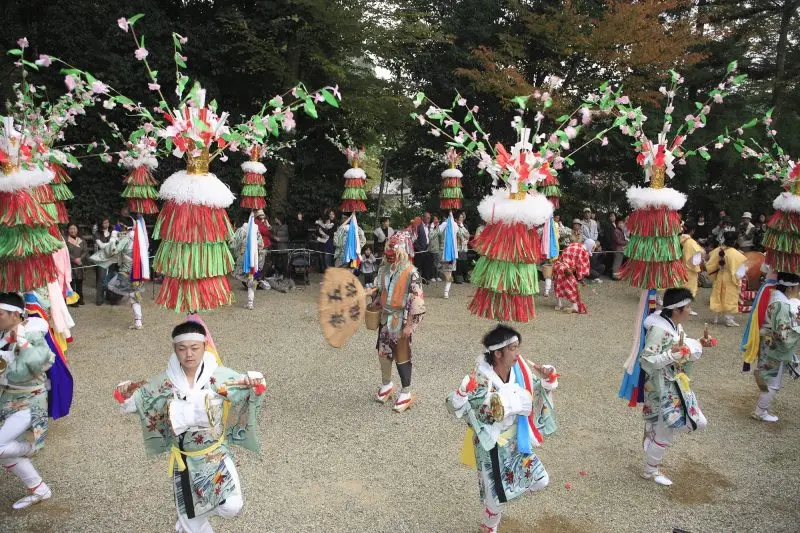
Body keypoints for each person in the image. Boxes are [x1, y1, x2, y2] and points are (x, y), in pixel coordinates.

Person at [115, 320, 266, 532]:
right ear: (174, 349)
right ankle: (189, 521)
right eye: (182, 348)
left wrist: (255, 379)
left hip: (215, 456)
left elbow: (251, 386)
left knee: (233, 505)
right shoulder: (165, 382)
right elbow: (137, 401)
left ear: (205, 346)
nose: (189, 354)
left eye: (195, 348)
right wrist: (126, 392)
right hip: (184, 461)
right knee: (192, 524)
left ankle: (194, 515)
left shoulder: (218, 377)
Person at [445, 324, 558, 533]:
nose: (518, 353)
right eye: (513, 348)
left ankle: (507, 494)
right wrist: (462, 393)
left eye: (518, 347)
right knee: (495, 499)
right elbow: (469, 411)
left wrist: (546, 380)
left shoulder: (520, 371)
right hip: (492, 446)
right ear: (498, 353)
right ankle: (489, 527)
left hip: (516, 441)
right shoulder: (481, 379)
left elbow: (534, 392)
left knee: (541, 479)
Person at [639, 288, 708, 486]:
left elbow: (678, 347)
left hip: (674, 385)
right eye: (688, 307)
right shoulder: (660, 329)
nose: (690, 310)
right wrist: (672, 356)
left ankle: (652, 436)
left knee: (696, 422)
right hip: (663, 388)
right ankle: (649, 471)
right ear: (676, 310)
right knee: (666, 432)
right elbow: (647, 360)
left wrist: (698, 344)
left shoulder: (671, 325)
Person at [0, 292, 56, 509]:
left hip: (29, 402)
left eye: (1, 314)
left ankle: (29, 448)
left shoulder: (33, 334)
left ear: (15, 315)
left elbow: (39, 361)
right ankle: (40, 489)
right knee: (4, 453)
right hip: (8, 399)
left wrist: (21, 341)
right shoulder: (4, 333)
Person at [366, 229, 425, 412]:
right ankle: (386, 384)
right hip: (385, 317)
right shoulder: (383, 269)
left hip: (401, 319)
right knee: (383, 352)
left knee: (402, 355)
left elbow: (417, 299)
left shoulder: (411, 272)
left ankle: (406, 391)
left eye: (394, 252)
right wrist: (375, 301)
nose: (390, 255)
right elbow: (381, 291)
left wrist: (410, 325)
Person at [752, 272, 800, 422]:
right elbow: (782, 333)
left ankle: (761, 406)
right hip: (775, 347)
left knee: (769, 376)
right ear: (791, 288)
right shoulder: (782, 305)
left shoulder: (773, 296)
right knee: (774, 382)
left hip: (767, 342)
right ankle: (760, 411)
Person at [89, 222, 146, 329]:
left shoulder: (126, 239)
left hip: (125, 272)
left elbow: (113, 250)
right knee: (134, 297)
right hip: (138, 273)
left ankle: (127, 294)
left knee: (109, 285)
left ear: (125, 229)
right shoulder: (140, 239)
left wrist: (113, 236)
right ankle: (138, 321)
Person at [706, 231, 748, 326]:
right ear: (735, 241)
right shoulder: (737, 255)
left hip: (720, 276)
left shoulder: (717, 250)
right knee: (730, 297)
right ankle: (729, 319)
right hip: (730, 278)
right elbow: (740, 273)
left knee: (717, 295)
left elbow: (710, 264)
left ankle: (715, 318)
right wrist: (744, 271)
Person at [229, 214, 269, 310]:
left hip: (243, 257)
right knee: (251, 276)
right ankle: (250, 303)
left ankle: (249, 281)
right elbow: (261, 245)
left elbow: (233, 245)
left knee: (234, 273)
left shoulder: (241, 230)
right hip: (255, 258)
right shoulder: (256, 230)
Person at [552, 234, 591, 313]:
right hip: (567, 270)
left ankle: (559, 304)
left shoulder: (571, 246)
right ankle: (574, 306)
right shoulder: (583, 251)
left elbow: (562, 257)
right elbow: (582, 265)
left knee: (558, 285)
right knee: (572, 286)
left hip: (559, 266)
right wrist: (581, 277)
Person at [680, 223, 704, 302]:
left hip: (681, 268)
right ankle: (686, 309)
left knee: (681, 289)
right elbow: (695, 261)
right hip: (690, 271)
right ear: (693, 231)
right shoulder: (692, 243)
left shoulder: (678, 239)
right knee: (689, 291)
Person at [65, 224, 88, 306]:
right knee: (71, 283)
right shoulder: (66, 240)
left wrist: (80, 259)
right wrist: (74, 259)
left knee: (79, 283)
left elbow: (85, 251)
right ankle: (72, 301)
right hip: (70, 264)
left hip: (80, 264)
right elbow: (65, 252)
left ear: (77, 230)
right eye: (71, 228)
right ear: (68, 230)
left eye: (74, 228)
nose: (73, 230)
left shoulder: (82, 240)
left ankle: (80, 299)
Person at [92, 217, 112, 305]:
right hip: (101, 259)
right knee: (100, 278)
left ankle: (110, 297)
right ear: (101, 224)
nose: (106, 224)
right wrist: (112, 243)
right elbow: (101, 246)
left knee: (111, 278)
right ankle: (99, 299)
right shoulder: (97, 233)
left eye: (107, 222)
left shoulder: (112, 232)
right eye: (104, 223)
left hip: (112, 258)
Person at [413, 212, 434, 282]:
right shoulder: (418, 226)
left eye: (429, 218)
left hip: (428, 248)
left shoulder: (429, 226)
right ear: (423, 217)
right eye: (427, 218)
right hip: (420, 250)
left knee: (427, 264)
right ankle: (415, 280)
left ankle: (425, 279)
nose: (429, 219)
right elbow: (414, 238)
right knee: (418, 266)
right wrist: (418, 248)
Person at [454, 211, 471, 284]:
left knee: (464, 263)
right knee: (458, 263)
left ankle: (465, 277)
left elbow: (468, 235)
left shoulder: (465, 226)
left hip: (464, 247)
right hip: (457, 247)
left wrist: (466, 240)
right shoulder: (454, 226)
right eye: (460, 217)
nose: (462, 219)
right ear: (456, 219)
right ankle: (458, 278)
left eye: (462, 217)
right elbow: (459, 234)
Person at [428, 215, 441, 282]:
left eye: (437, 219)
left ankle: (437, 275)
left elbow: (440, 235)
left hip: (438, 248)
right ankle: (432, 276)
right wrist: (435, 229)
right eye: (434, 219)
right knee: (433, 263)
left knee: (438, 262)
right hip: (432, 248)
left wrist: (438, 228)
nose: (436, 220)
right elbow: (430, 236)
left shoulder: (437, 228)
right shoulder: (431, 227)